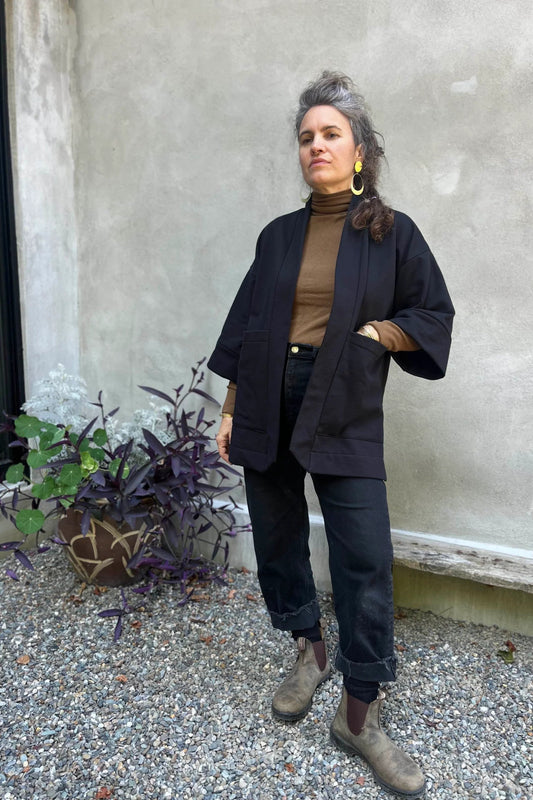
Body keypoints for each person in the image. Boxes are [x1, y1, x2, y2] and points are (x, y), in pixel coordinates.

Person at [208, 71, 454, 798]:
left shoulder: (390, 232)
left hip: (341, 395)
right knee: (277, 531)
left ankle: (359, 713)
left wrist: (377, 335)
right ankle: (309, 650)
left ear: (359, 151)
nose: (316, 145)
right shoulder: (277, 236)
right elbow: (246, 323)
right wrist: (230, 407)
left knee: (364, 554)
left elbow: (431, 312)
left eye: (331, 134)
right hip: (265, 394)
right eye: (306, 137)